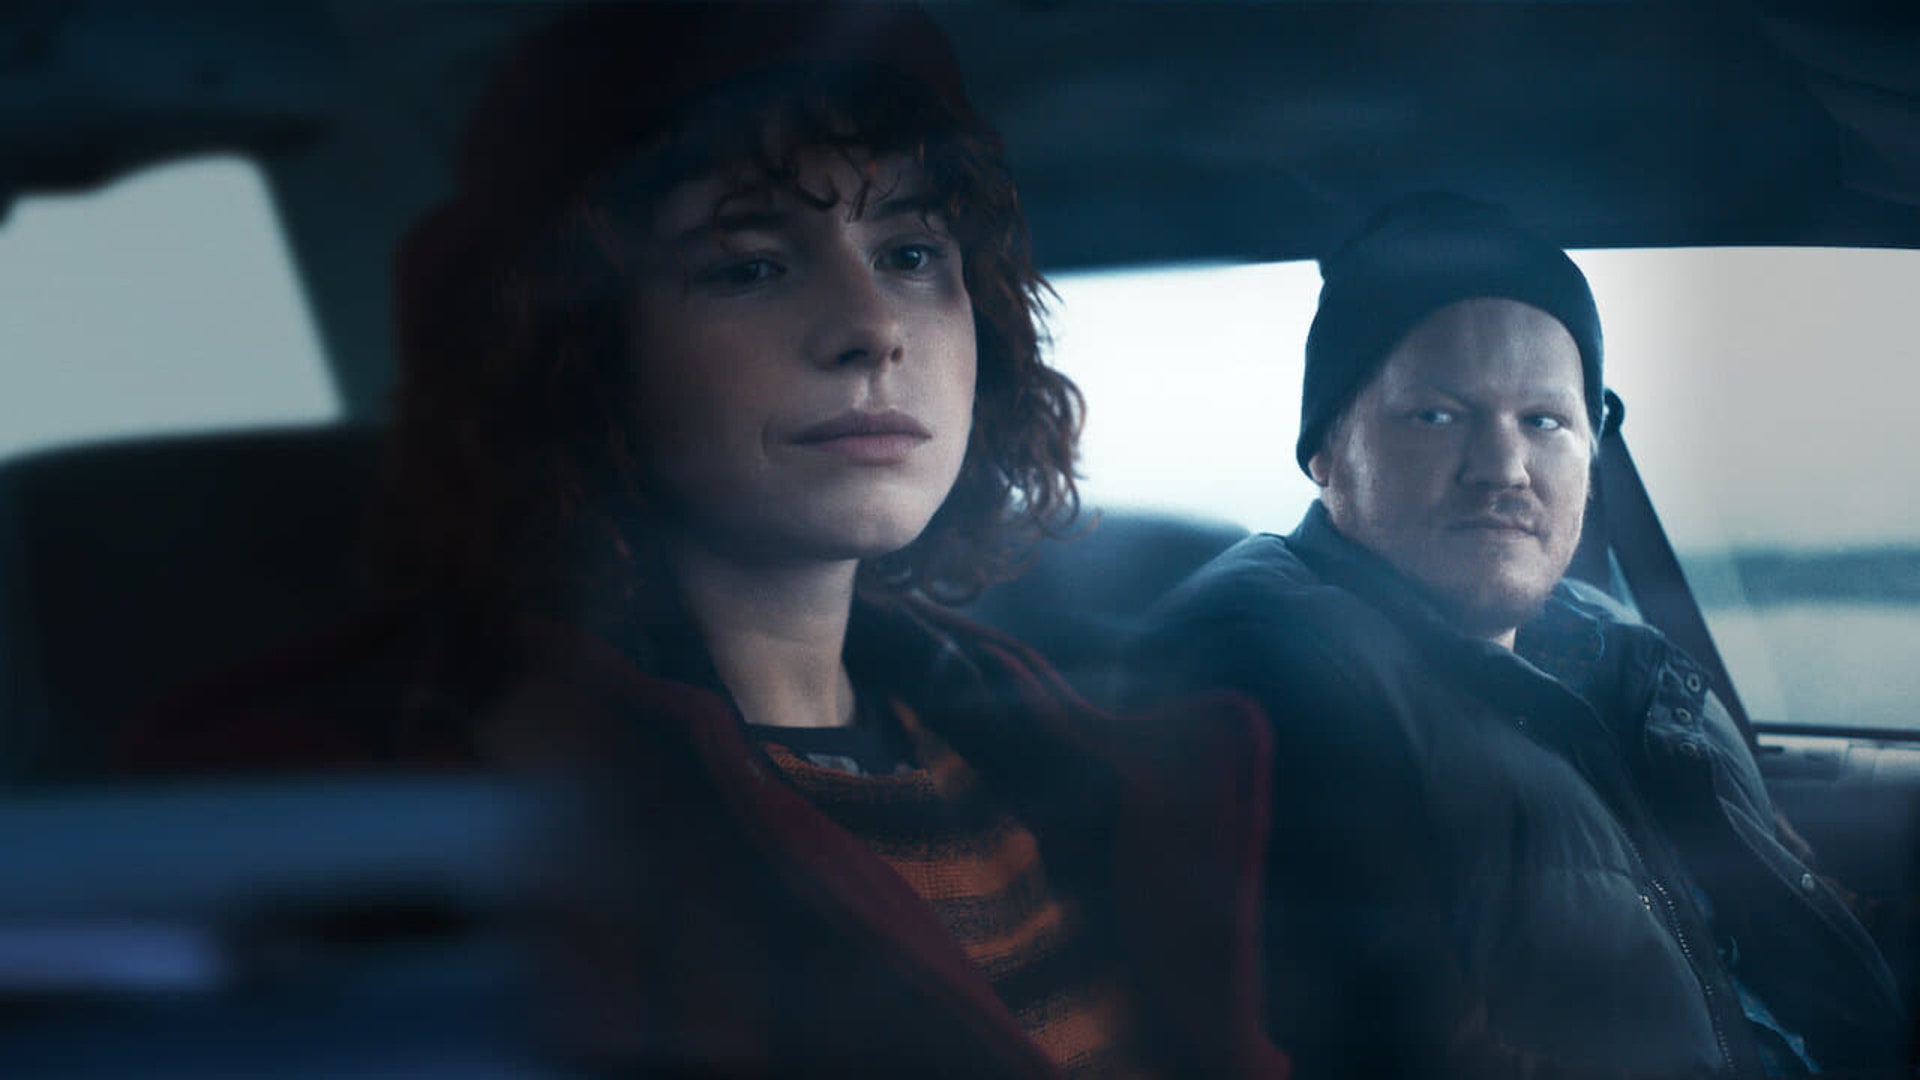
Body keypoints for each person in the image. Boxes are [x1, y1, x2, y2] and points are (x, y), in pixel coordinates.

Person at [120, 4, 1288, 1077]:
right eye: (751, 265)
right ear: (581, 354)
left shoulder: (1040, 738)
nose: (874, 327)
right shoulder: (421, 816)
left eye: (911, 254)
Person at [1124, 194, 1905, 1079]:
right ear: (1327, 451)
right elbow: (1409, 1054)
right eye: (1437, 416)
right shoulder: (1275, 664)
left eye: (1544, 421)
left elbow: (1768, 913)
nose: (1503, 468)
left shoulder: (1595, 635)